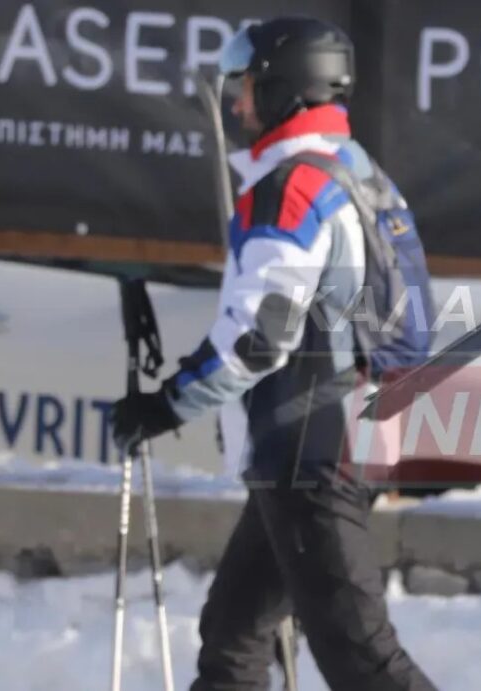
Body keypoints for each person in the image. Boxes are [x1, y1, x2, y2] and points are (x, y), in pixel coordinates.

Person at [109, 16, 437, 691]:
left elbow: (260, 335)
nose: (237, 104)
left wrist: (165, 404)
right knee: (234, 633)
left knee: (363, 660)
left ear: (286, 90)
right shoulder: (356, 171)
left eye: (249, 87)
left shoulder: (292, 188)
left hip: (312, 451)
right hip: (331, 438)